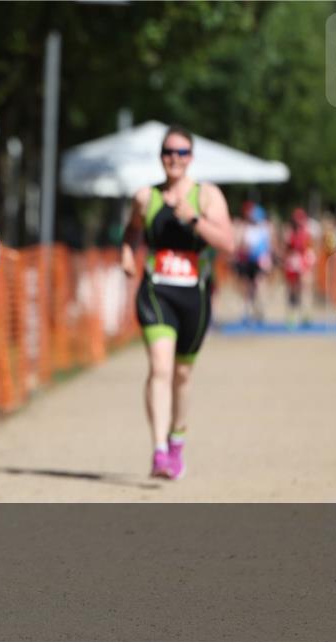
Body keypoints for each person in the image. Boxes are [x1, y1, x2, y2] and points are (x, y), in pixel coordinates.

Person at [121, 126, 235, 480]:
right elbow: (133, 229)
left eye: (182, 152)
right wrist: (127, 252)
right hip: (157, 292)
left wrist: (194, 219)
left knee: (182, 374)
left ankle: (176, 439)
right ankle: (158, 451)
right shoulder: (146, 197)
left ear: (191, 157)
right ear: (161, 156)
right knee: (160, 368)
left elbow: (228, 242)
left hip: (194, 295)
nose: (175, 158)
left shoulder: (207, 196)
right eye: (169, 152)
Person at [280, 208, 316, 327]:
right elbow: (286, 249)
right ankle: (292, 315)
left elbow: (310, 248)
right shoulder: (289, 233)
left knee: (305, 289)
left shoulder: (307, 233)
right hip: (292, 264)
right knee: (292, 290)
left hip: (303, 263)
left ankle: (305, 314)